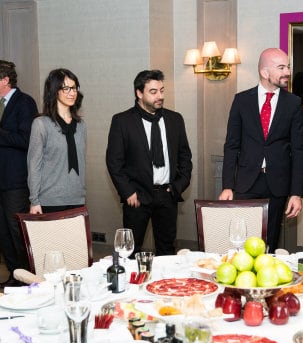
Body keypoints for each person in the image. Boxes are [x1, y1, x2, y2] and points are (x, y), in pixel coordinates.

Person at [219, 48, 303, 253]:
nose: (288, 72)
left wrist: (296, 193)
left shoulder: (293, 103)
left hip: (277, 184)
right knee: (241, 241)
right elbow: (231, 145)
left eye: (288, 67)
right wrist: (227, 186)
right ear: (264, 72)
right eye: (281, 67)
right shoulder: (242, 100)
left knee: (269, 242)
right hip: (246, 182)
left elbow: (298, 150)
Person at [106, 70, 192, 256]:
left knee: (167, 250)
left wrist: (178, 186)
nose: (159, 96)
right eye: (153, 92)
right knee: (129, 252)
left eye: (161, 90)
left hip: (167, 195)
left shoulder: (174, 119)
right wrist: (127, 191)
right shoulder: (122, 121)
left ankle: (164, 285)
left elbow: (185, 157)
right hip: (137, 197)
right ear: (139, 93)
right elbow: (114, 162)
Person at [0, 60, 38, 288]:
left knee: (17, 231)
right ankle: (14, 275)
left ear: (5, 80)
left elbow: (27, 140)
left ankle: (27, 278)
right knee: (2, 230)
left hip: (16, 179)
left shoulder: (25, 103)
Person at [28, 69, 86, 214]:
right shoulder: (41, 124)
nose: (72, 93)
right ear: (54, 91)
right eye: (66, 88)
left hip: (77, 199)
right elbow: (34, 165)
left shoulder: (81, 125)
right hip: (49, 200)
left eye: (74, 88)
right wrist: (34, 201)